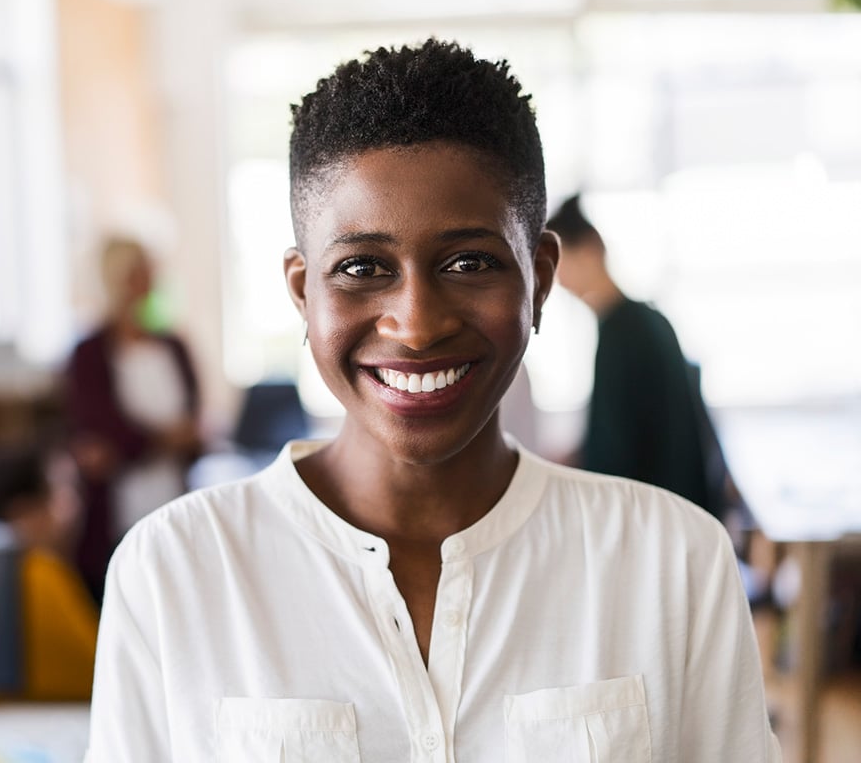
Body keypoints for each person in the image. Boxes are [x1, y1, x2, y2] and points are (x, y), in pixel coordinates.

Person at [84, 40, 779, 761]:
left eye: (468, 262)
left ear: (539, 280)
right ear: (302, 291)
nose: (415, 325)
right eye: (361, 267)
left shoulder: (673, 561)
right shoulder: (176, 570)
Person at [546, 194, 725, 520]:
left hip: (656, 515)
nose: (559, 281)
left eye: (560, 265)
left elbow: (614, 453)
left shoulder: (620, 333)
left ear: (590, 250)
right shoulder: (647, 320)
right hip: (682, 507)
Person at [63, 236, 203, 602]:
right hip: (115, 518)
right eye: (136, 272)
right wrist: (162, 440)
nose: (147, 280)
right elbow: (103, 433)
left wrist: (135, 443)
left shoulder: (173, 346)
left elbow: (195, 428)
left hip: (174, 505)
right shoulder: (89, 353)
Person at [0, 445, 99, 701]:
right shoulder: (38, 575)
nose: (78, 506)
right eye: (65, 491)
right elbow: (102, 673)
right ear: (23, 510)